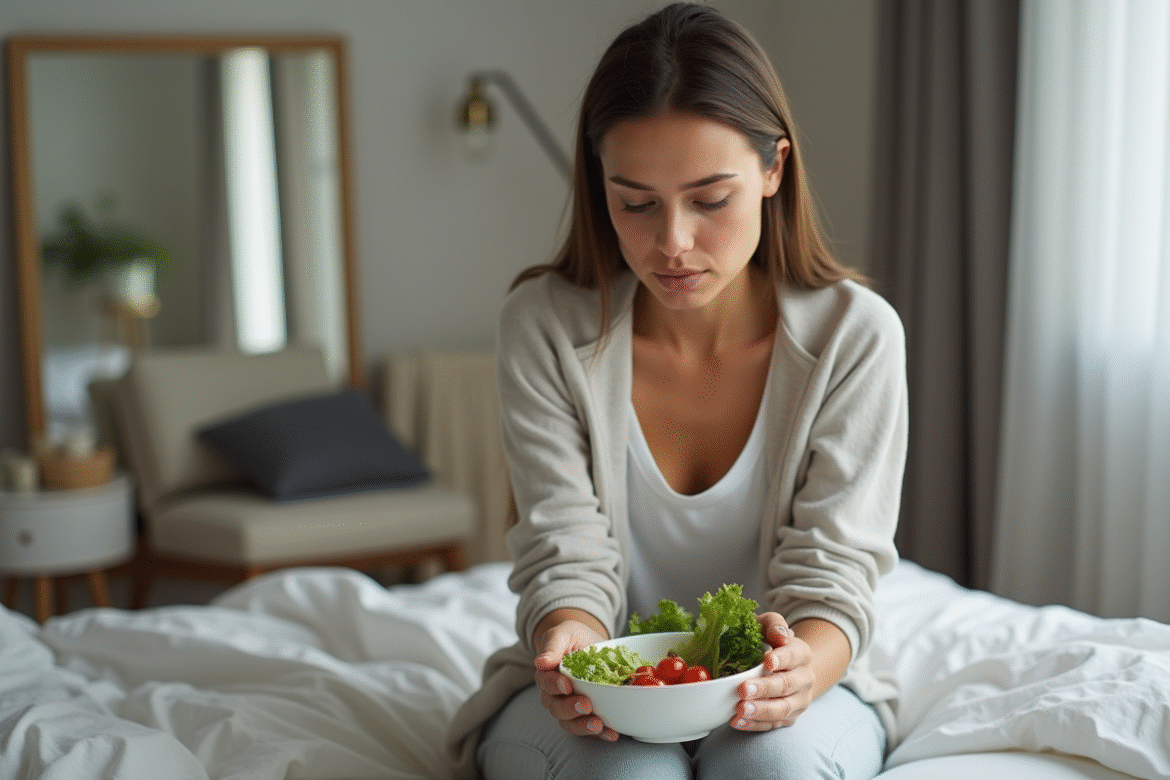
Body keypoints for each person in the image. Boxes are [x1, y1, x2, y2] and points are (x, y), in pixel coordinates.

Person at [446, 3, 907, 778]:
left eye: (710, 199)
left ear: (773, 170)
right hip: (605, 687)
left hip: (789, 686)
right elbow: (564, 552)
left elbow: (833, 576)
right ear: (600, 188)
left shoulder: (854, 337)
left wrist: (804, 674)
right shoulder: (544, 327)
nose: (673, 244)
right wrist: (568, 640)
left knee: (773, 769)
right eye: (635, 202)